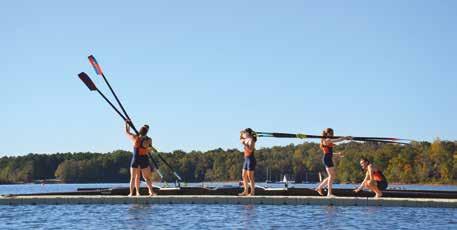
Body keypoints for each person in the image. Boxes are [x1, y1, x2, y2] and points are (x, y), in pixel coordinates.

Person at [315, 128, 351, 197]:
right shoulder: (327, 140)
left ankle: (319, 188)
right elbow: (338, 140)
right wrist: (346, 137)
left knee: (332, 176)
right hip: (327, 159)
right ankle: (329, 193)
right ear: (327, 134)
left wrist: (337, 154)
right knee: (332, 176)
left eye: (332, 133)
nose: (332, 135)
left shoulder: (327, 140)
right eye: (330, 133)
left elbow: (329, 153)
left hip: (328, 158)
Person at [125, 120, 156, 196]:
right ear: (147, 132)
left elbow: (127, 132)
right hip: (144, 159)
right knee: (147, 178)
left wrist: (127, 124)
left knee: (132, 178)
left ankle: (131, 193)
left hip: (135, 159)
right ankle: (151, 192)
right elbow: (150, 150)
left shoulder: (135, 138)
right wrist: (148, 148)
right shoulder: (149, 140)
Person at [239, 128, 257, 196]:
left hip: (251, 159)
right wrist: (241, 134)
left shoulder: (251, 140)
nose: (244, 134)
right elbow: (241, 137)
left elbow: (250, 150)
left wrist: (244, 144)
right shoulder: (245, 139)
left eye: (245, 133)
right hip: (246, 159)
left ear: (248, 133)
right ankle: (245, 191)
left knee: (250, 176)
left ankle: (252, 192)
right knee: (243, 175)